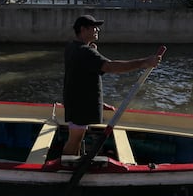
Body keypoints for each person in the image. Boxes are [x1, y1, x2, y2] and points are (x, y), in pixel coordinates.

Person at [62, 15, 162, 156]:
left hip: (76, 101)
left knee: (77, 138)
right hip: (80, 106)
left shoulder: (72, 47)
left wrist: (98, 103)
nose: (97, 30)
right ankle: (66, 166)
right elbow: (110, 67)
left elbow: (78, 78)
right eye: (94, 27)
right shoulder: (85, 52)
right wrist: (144, 62)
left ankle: (72, 161)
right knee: (75, 140)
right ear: (83, 29)